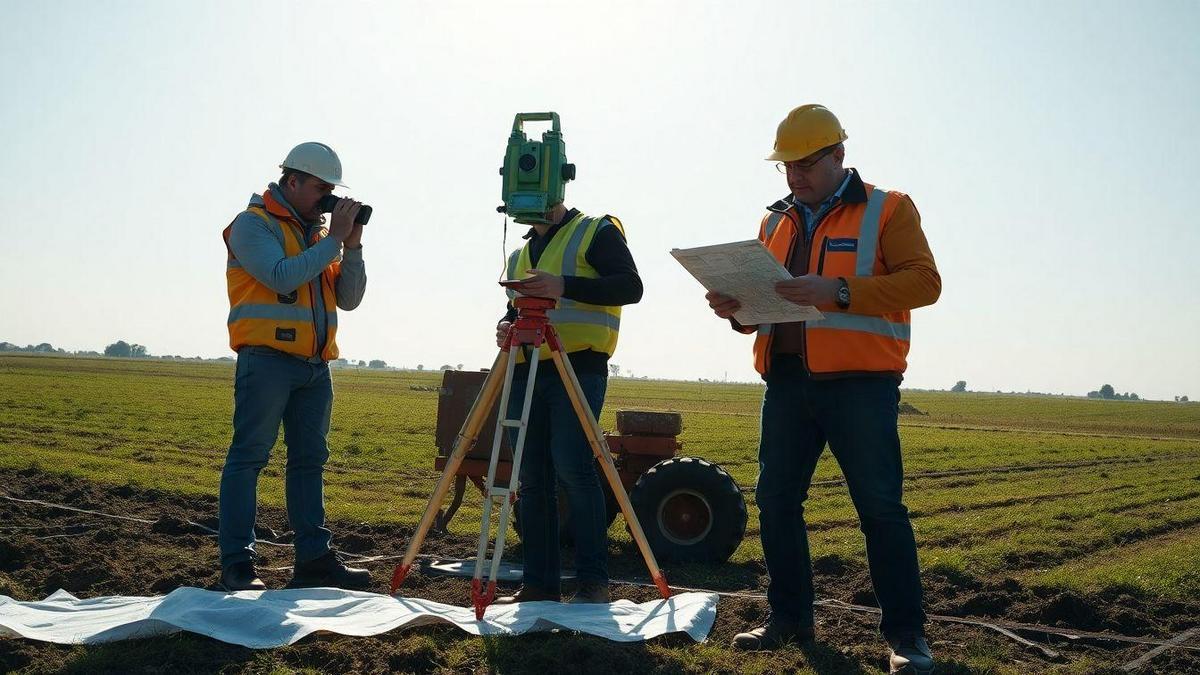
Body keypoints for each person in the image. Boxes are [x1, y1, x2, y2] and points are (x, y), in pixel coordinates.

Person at [707, 105, 940, 675]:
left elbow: (924, 283)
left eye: (806, 164)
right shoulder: (774, 222)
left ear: (839, 155)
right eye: (786, 166)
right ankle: (789, 618)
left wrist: (835, 291)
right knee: (775, 500)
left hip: (861, 383)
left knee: (881, 509)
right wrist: (737, 311)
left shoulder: (890, 208)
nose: (794, 176)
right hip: (786, 381)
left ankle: (908, 639)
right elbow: (767, 305)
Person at [218, 142, 371, 592]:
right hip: (266, 362)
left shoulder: (318, 237)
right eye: (322, 189)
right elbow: (282, 276)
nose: (329, 199)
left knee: (309, 462)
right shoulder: (252, 226)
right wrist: (335, 241)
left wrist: (353, 248)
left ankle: (314, 561)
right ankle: (238, 566)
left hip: (314, 367)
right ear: (292, 182)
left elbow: (350, 298)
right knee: (249, 459)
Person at [492, 201, 642, 605]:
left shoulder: (595, 231)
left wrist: (564, 285)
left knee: (573, 468)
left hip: (578, 365)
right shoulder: (519, 253)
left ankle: (593, 583)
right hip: (526, 368)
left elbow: (631, 287)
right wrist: (505, 324)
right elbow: (515, 307)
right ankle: (540, 584)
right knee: (532, 479)